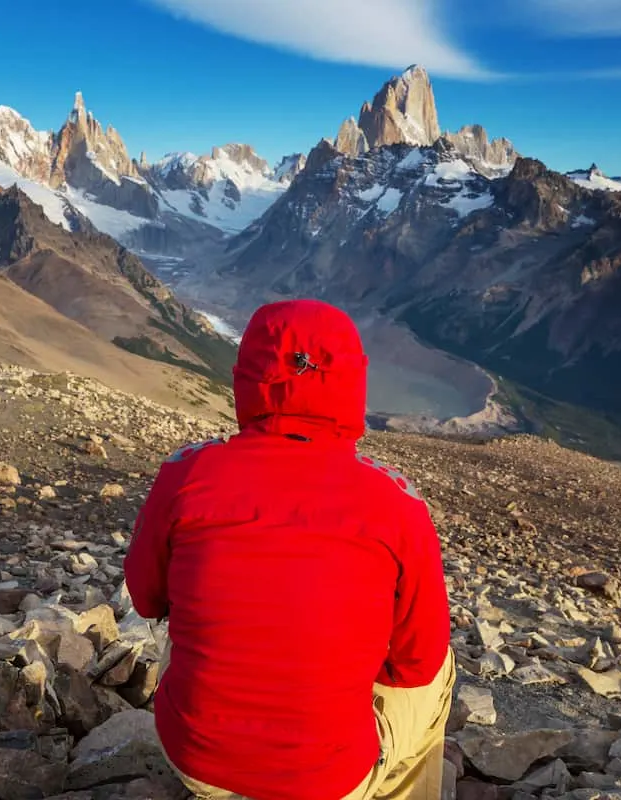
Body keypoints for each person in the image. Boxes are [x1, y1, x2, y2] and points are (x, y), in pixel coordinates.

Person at [123, 298, 454, 800]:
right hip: (329, 783)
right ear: (353, 381)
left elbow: (147, 601)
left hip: (197, 760)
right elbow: (418, 663)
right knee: (442, 666)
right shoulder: (397, 504)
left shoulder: (185, 474)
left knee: (186, 611)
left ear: (247, 376)